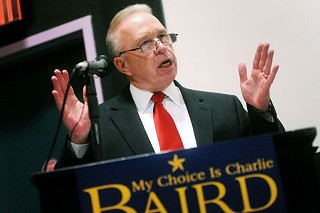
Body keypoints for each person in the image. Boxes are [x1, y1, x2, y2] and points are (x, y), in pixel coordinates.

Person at [51, 4, 284, 168]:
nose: (161, 47)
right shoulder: (100, 124)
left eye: (163, 37)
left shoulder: (224, 108)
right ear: (122, 65)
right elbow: (68, 197)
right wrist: (79, 141)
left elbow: (277, 162)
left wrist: (260, 112)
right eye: (145, 43)